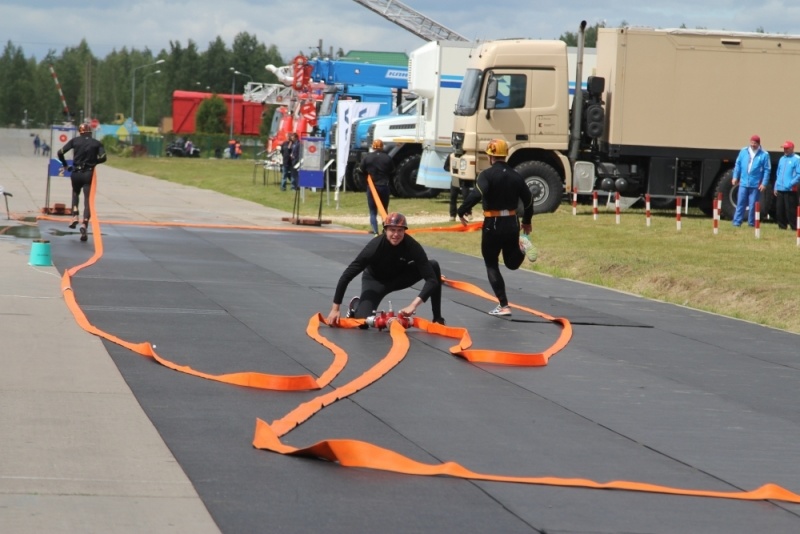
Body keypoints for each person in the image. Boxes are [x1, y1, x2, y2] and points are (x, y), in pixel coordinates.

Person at [456, 138, 535, 316]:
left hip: (493, 223)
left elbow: (477, 194)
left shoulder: (487, 175)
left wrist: (462, 210)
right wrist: (527, 221)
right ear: (505, 154)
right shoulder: (516, 175)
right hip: (512, 223)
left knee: (491, 264)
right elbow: (529, 200)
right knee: (511, 263)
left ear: (490, 155)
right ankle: (522, 248)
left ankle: (504, 305)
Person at [327, 212, 446, 327]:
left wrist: (413, 305)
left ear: (405, 231)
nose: (396, 234)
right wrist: (335, 308)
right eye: (392, 230)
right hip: (376, 282)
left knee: (433, 266)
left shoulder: (412, 246)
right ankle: (355, 304)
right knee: (363, 321)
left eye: (400, 230)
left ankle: (437, 318)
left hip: (399, 277)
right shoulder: (374, 247)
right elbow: (347, 275)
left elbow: (432, 280)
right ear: (385, 230)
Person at [57, 123, 107, 242]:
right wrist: (94, 162)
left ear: (80, 132)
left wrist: (65, 165)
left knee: (75, 193)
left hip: (75, 173)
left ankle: (74, 215)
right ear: (90, 132)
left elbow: (60, 152)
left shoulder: (75, 141)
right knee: (87, 200)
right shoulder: (96, 143)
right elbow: (104, 157)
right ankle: (84, 224)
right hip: (88, 174)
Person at [732, 134, 771, 227]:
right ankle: (737, 222)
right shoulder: (743, 151)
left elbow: (767, 170)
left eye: (755, 143)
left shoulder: (764, 154)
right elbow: (738, 165)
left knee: (753, 205)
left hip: (755, 184)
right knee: (740, 203)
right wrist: (735, 177)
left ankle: (751, 223)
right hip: (743, 183)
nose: (753, 145)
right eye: (752, 143)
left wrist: (764, 183)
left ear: (759, 144)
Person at [359, 139, 394, 234]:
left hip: (372, 187)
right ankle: (386, 230)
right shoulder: (387, 158)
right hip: (384, 185)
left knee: (373, 211)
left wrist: (364, 183)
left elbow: (361, 170)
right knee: (384, 210)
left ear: (373, 147)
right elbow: (392, 171)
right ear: (382, 147)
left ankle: (375, 230)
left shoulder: (367, 158)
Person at [773, 140, 800, 230]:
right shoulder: (782, 159)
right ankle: (782, 226)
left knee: (791, 210)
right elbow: (778, 173)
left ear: (792, 148)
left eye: (787, 148)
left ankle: (794, 227)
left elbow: (798, 174)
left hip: (790, 189)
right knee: (780, 209)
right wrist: (776, 186)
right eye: (784, 148)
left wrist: (790, 184)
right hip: (780, 188)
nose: (785, 150)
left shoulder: (797, 159)